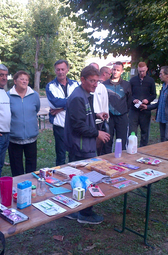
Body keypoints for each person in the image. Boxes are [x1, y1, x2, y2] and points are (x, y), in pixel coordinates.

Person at [64, 65, 110, 224]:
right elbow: (78, 126)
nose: (95, 85)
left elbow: (82, 115)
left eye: (97, 81)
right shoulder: (78, 97)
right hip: (81, 146)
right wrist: (97, 133)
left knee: (79, 179)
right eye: (92, 81)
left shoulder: (85, 94)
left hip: (84, 144)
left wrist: (97, 114)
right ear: (82, 79)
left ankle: (75, 211)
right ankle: (85, 214)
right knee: (86, 179)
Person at [7, 71, 40, 176]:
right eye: (22, 79)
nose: (24, 81)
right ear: (15, 81)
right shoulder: (8, 95)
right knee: (16, 167)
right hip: (14, 138)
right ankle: (18, 187)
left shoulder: (34, 95)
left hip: (31, 136)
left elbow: (36, 109)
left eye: (26, 79)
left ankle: (30, 187)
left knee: (31, 166)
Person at [46, 59, 79, 166]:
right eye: (58, 69)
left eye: (63, 69)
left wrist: (61, 108)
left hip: (74, 124)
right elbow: (55, 103)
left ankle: (73, 175)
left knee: (74, 154)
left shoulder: (75, 84)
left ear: (67, 70)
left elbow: (79, 101)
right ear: (55, 71)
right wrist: (70, 103)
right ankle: (59, 179)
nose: (60, 72)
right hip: (60, 125)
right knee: (60, 155)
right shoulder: (50, 86)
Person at [140, 66, 168, 141]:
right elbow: (159, 103)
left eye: (161, 74)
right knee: (163, 139)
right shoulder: (163, 86)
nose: (159, 76)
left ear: (167, 75)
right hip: (162, 116)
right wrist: (147, 107)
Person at [103, 61, 132, 153]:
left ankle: (121, 162)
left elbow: (129, 100)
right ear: (111, 70)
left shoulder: (126, 85)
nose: (115, 72)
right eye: (114, 69)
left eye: (118, 70)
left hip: (122, 117)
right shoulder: (104, 84)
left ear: (122, 71)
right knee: (107, 142)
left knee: (122, 141)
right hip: (109, 117)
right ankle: (107, 162)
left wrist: (124, 111)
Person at [129, 62, 157, 147]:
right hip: (134, 110)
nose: (141, 73)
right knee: (132, 131)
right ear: (138, 69)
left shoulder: (150, 81)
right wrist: (133, 100)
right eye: (140, 71)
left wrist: (147, 100)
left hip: (145, 109)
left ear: (146, 69)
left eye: (143, 71)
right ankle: (132, 147)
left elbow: (154, 95)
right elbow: (129, 94)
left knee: (145, 131)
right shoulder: (132, 80)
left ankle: (143, 148)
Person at [89, 63, 109, 155]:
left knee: (98, 147)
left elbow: (105, 103)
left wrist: (105, 119)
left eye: (96, 69)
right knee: (88, 147)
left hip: (99, 122)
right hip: (88, 121)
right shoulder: (84, 85)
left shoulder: (101, 87)